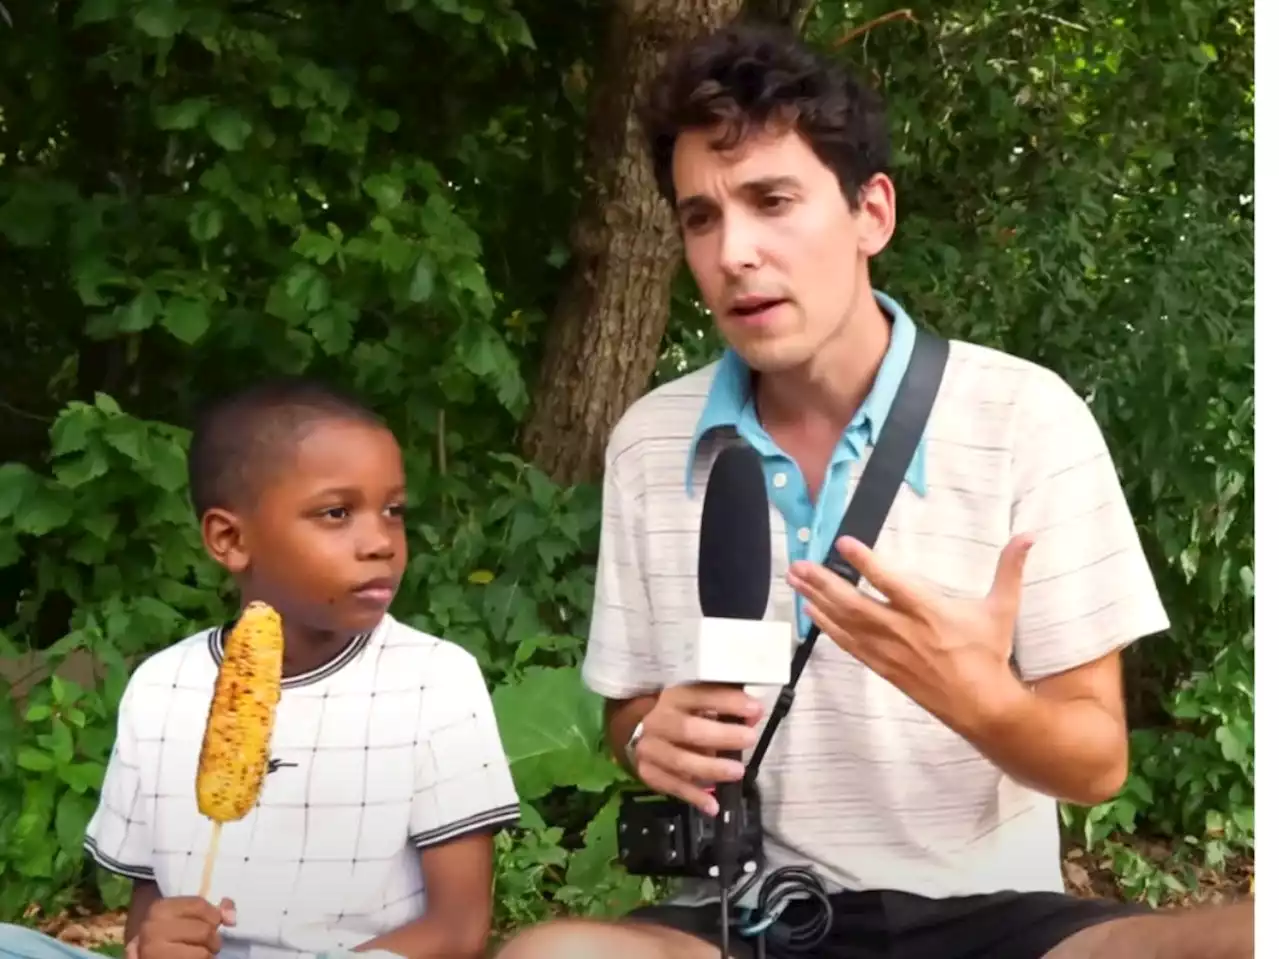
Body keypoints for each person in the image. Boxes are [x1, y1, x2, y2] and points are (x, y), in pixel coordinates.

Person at [493, 20, 1253, 959]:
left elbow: (1096, 763)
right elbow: (629, 708)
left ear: (872, 214)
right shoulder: (651, 439)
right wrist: (648, 730)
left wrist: (978, 695)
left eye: (773, 200)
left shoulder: (1025, 416)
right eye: (701, 216)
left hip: (988, 920)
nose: (734, 251)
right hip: (741, 915)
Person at [1, 378, 520, 959]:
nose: (380, 541)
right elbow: (150, 917)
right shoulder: (160, 690)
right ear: (230, 539)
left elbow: (460, 929)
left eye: (393, 511)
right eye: (337, 512)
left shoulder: (435, 680)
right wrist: (155, 944)